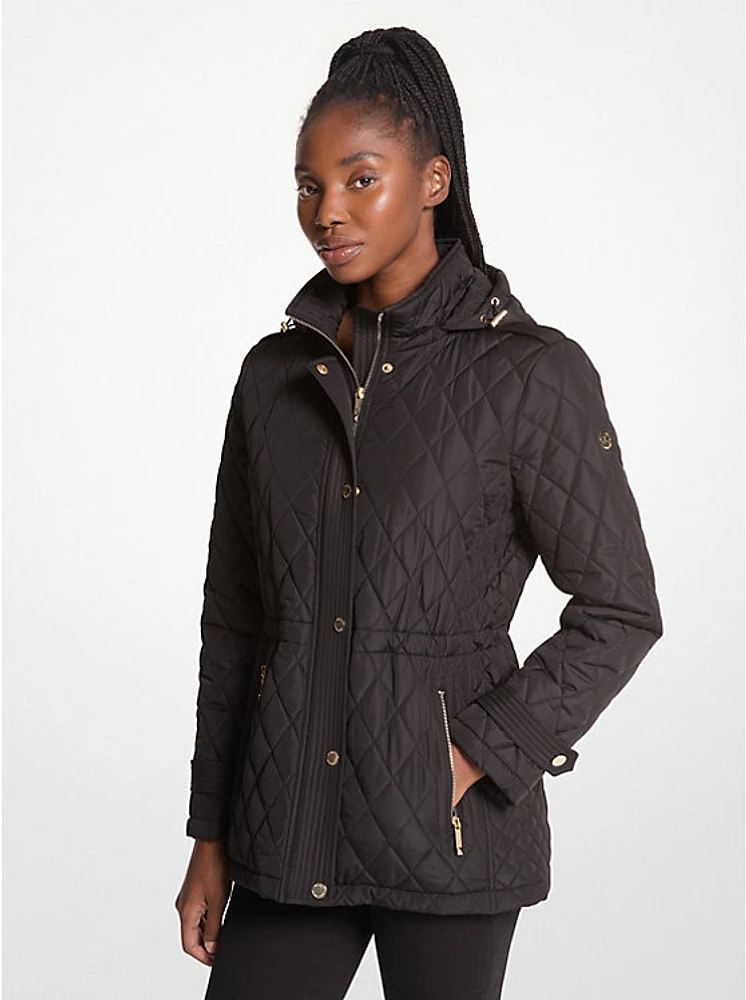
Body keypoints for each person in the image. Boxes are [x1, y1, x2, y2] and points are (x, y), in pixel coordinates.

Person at [174, 25, 664, 1000]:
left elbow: (619, 608)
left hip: (448, 838)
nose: (327, 211)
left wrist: (481, 749)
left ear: (434, 180)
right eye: (309, 185)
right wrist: (210, 834)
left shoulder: (530, 374)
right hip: (289, 831)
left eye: (361, 179)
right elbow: (235, 623)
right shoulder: (272, 378)